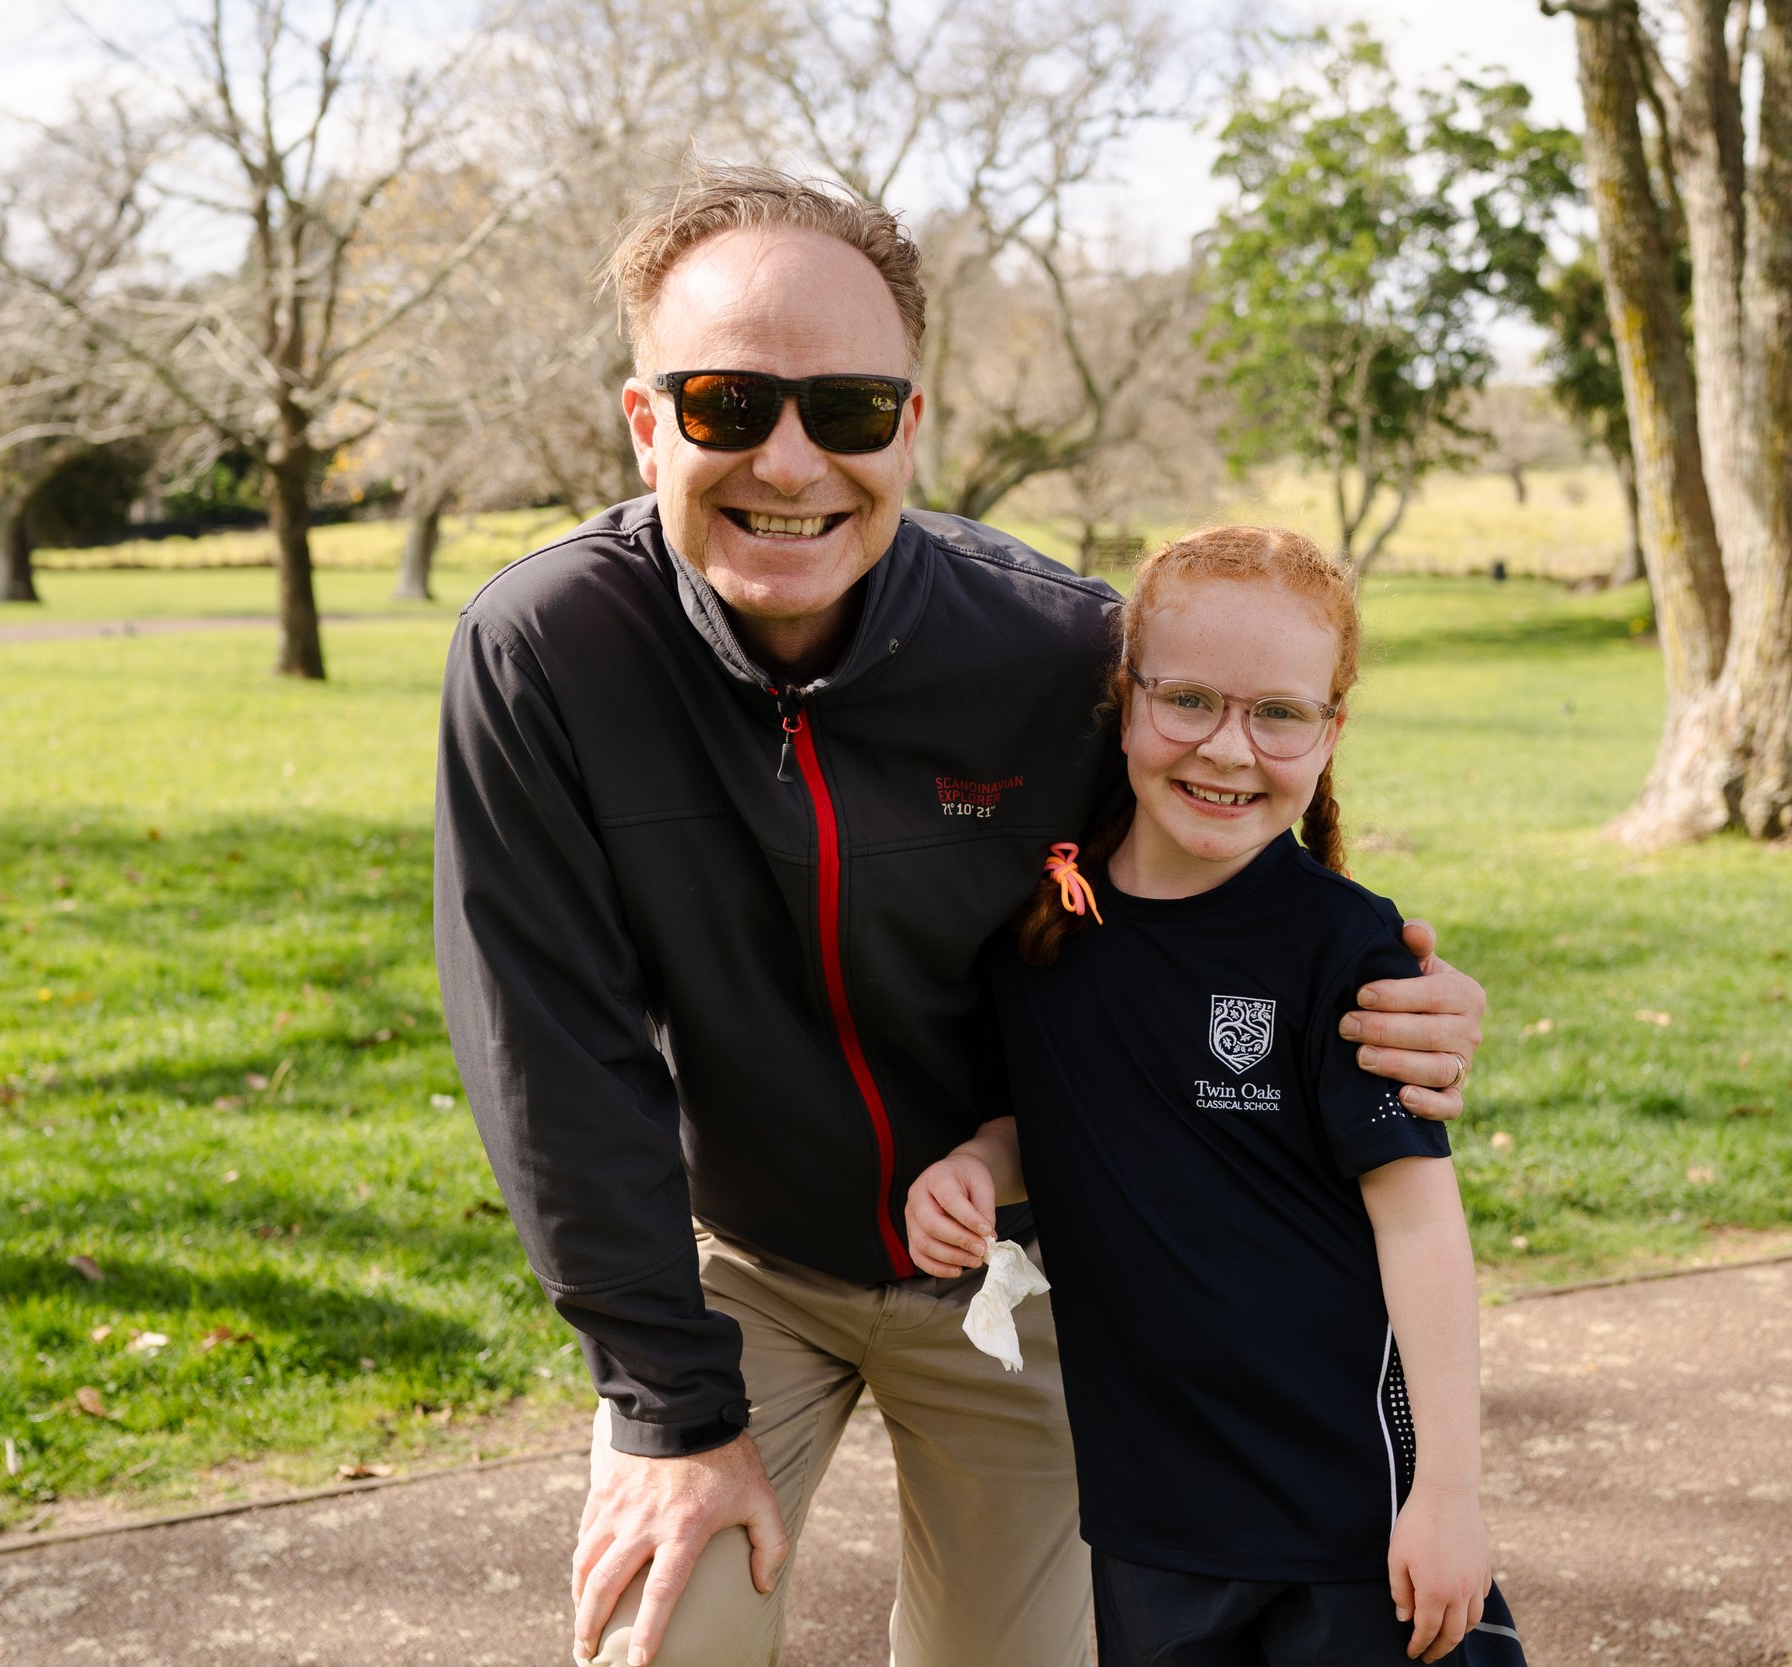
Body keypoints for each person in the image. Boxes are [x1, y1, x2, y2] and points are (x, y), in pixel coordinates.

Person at [432, 165, 1489, 1667]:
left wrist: (1389, 992)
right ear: (646, 419)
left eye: (848, 409)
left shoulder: (1056, 649)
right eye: (728, 403)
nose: (790, 461)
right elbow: (553, 1058)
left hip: (1024, 1270)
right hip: (740, 1271)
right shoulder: (546, 649)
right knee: (666, 1644)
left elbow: (1213, 856)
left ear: (910, 424)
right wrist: (670, 1407)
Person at [905, 526, 1522, 1666]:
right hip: (1151, 1517)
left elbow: (1419, 1220)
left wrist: (1449, 1491)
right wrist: (973, 1173)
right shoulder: (1046, 932)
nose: (1229, 749)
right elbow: (1041, 1129)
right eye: (1187, 699)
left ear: (1329, 730)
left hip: (1349, 1512)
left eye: (1278, 713)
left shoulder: (1345, 948)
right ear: (1125, 700)